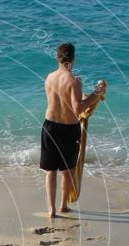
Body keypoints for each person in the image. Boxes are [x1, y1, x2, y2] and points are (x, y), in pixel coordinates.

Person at [40, 43, 106, 218]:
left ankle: (51, 210)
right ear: (73, 59)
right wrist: (96, 95)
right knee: (67, 170)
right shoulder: (74, 81)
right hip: (68, 129)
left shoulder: (49, 78)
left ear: (57, 57)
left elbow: (58, 100)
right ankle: (63, 206)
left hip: (49, 125)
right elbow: (77, 108)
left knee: (50, 171)